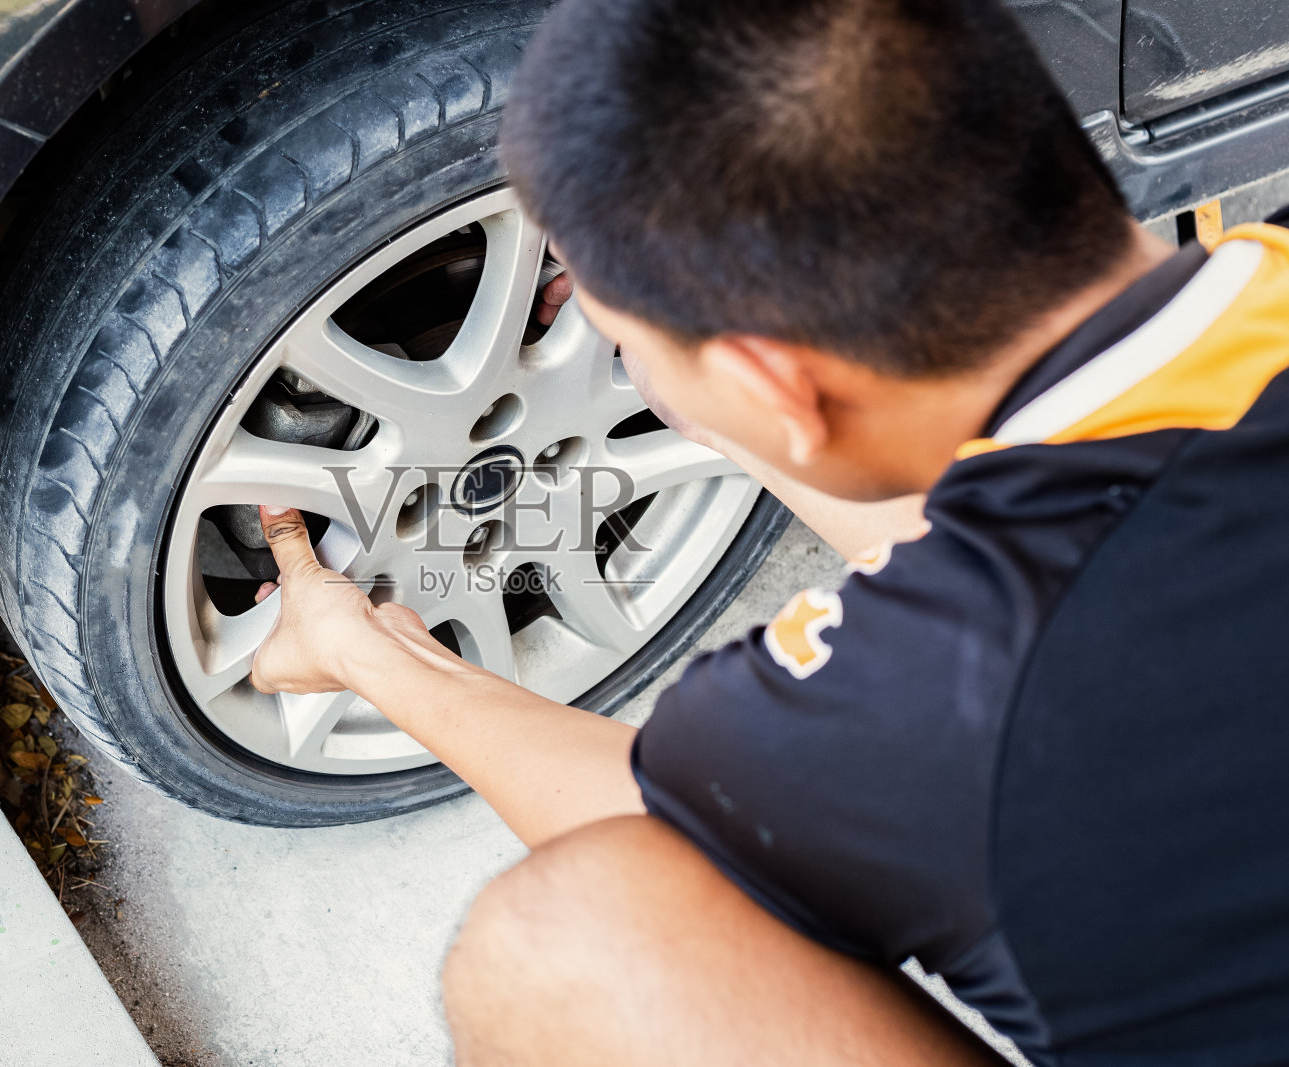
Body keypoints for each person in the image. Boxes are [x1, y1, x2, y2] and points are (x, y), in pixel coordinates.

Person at [248, 0, 1289, 1062]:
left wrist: (359, 647)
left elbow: (659, 869)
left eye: (622, 345)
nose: (625, 373)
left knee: (556, 947)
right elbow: (1039, 557)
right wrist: (733, 397)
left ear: (773, 380)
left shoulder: (916, 715)